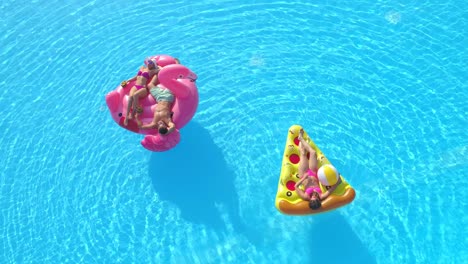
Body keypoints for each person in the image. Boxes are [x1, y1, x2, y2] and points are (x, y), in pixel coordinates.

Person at [294, 129, 342, 209]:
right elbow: (331, 189)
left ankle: (301, 138)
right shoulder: (321, 196)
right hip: (313, 172)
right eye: (315, 197)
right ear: (318, 200)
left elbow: (296, 186)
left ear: (310, 200)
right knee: (313, 153)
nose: (313, 195)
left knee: (303, 154)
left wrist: (304, 178)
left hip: (303, 174)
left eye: (312, 197)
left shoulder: (306, 197)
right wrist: (338, 181)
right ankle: (301, 139)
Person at [122, 57, 160, 126]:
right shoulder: (142, 67)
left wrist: (158, 66)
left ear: (153, 65)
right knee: (130, 98)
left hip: (143, 88)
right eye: (149, 62)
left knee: (135, 95)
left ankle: (133, 113)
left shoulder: (152, 71)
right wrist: (128, 81)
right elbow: (136, 77)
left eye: (151, 63)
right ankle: (126, 117)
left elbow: (161, 69)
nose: (149, 63)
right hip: (136, 86)